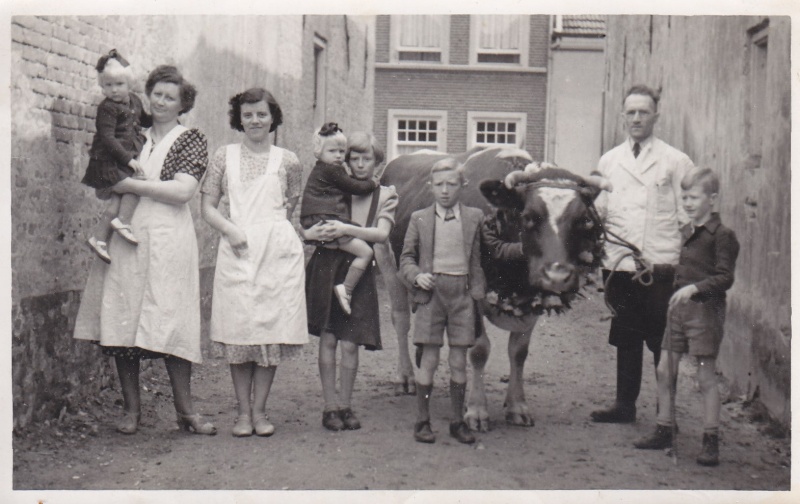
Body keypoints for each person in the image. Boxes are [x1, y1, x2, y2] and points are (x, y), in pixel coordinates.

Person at [74, 65, 215, 436]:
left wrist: (131, 186)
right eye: (157, 94)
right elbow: (105, 184)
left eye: (171, 97)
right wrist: (116, 184)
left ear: (183, 104)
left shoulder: (189, 139)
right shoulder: (132, 134)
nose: (161, 102)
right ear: (148, 95)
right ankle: (131, 411)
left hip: (168, 238)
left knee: (172, 319)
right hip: (128, 234)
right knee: (124, 318)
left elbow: (183, 191)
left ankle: (186, 411)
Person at [201, 88, 308, 437]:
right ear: (239, 119)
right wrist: (231, 230)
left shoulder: (288, 160)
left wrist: (274, 239)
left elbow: (288, 209)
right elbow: (207, 208)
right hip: (237, 249)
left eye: (261, 114)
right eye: (247, 115)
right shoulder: (224, 156)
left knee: (269, 332)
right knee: (239, 331)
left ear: (272, 117)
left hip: (275, 254)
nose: (255, 121)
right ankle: (243, 413)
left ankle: (260, 412)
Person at [591, 84, 695, 424]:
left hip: (660, 266)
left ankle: (665, 414)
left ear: (656, 116)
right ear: (623, 115)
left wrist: (684, 267)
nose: (637, 118)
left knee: (661, 342)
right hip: (619, 265)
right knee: (626, 336)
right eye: (631, 112)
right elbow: (600, 214)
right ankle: (624, 406)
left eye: (644, 112)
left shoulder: (675, 161)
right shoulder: (609, 161)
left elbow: (689, 220)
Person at [633, 167, 739, 466]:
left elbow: (725, 278)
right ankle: (664, 429)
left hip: (705, 313)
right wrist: (656, 269)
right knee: (664, 369)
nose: (688, 203)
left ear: (712, 199)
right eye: (685, 198)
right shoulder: (688, 232)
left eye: (694, 197)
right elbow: (685, 270)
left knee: (705, 376)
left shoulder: (723, 236)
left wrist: (694, 288)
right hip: (678, 311)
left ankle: (711, 440)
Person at [304, 131, 397, 431]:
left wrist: (346, 228)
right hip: (328, 265)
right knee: (329, 338)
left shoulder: (385, 194)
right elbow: (312, 219)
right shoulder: (335, 184)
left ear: (377, 162)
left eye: (365, 159)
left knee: (350, 343)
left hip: (358, 270)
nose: (359, 164)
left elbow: (381, 234)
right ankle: (330, 407)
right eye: (353, 158)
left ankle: (346, 404)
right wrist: (313, 232)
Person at [398, 158, 485, 445]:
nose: (445, 190)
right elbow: (406, 259)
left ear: (463, 185)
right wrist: (417, 276)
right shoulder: (419, 218)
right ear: (430, 186)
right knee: (430, 360)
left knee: (459, 361)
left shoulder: (475, 217)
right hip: (431, 295)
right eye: (439, 185)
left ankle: (457, 422)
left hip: (462, 296)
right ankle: (422, 421)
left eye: (451, 184)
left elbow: (487, 256)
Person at [300, 123, 380, 315]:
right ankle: (346, 289)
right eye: (332, 151)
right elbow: (355, 187)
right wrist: (373, 183)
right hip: (326, 219)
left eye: (341, 151)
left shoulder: (321, 169)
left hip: (316, 219)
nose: (338, 156)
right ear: (319, 152)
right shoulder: (333, 170)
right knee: (366, 253)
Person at [81, 49, 152, 263]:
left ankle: (99, 238)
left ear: (129, 83)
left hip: (121, 161)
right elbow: (108, 138)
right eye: (108, 85)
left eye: (119, 84)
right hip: (108, 162)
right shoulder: (107, 108)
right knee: (137, 184)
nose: (114, 90)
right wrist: (128, 160)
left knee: (115, 202)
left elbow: (145, 120)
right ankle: (123, 221)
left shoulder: (135, 101)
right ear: (102, 86)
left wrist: (161, 117)